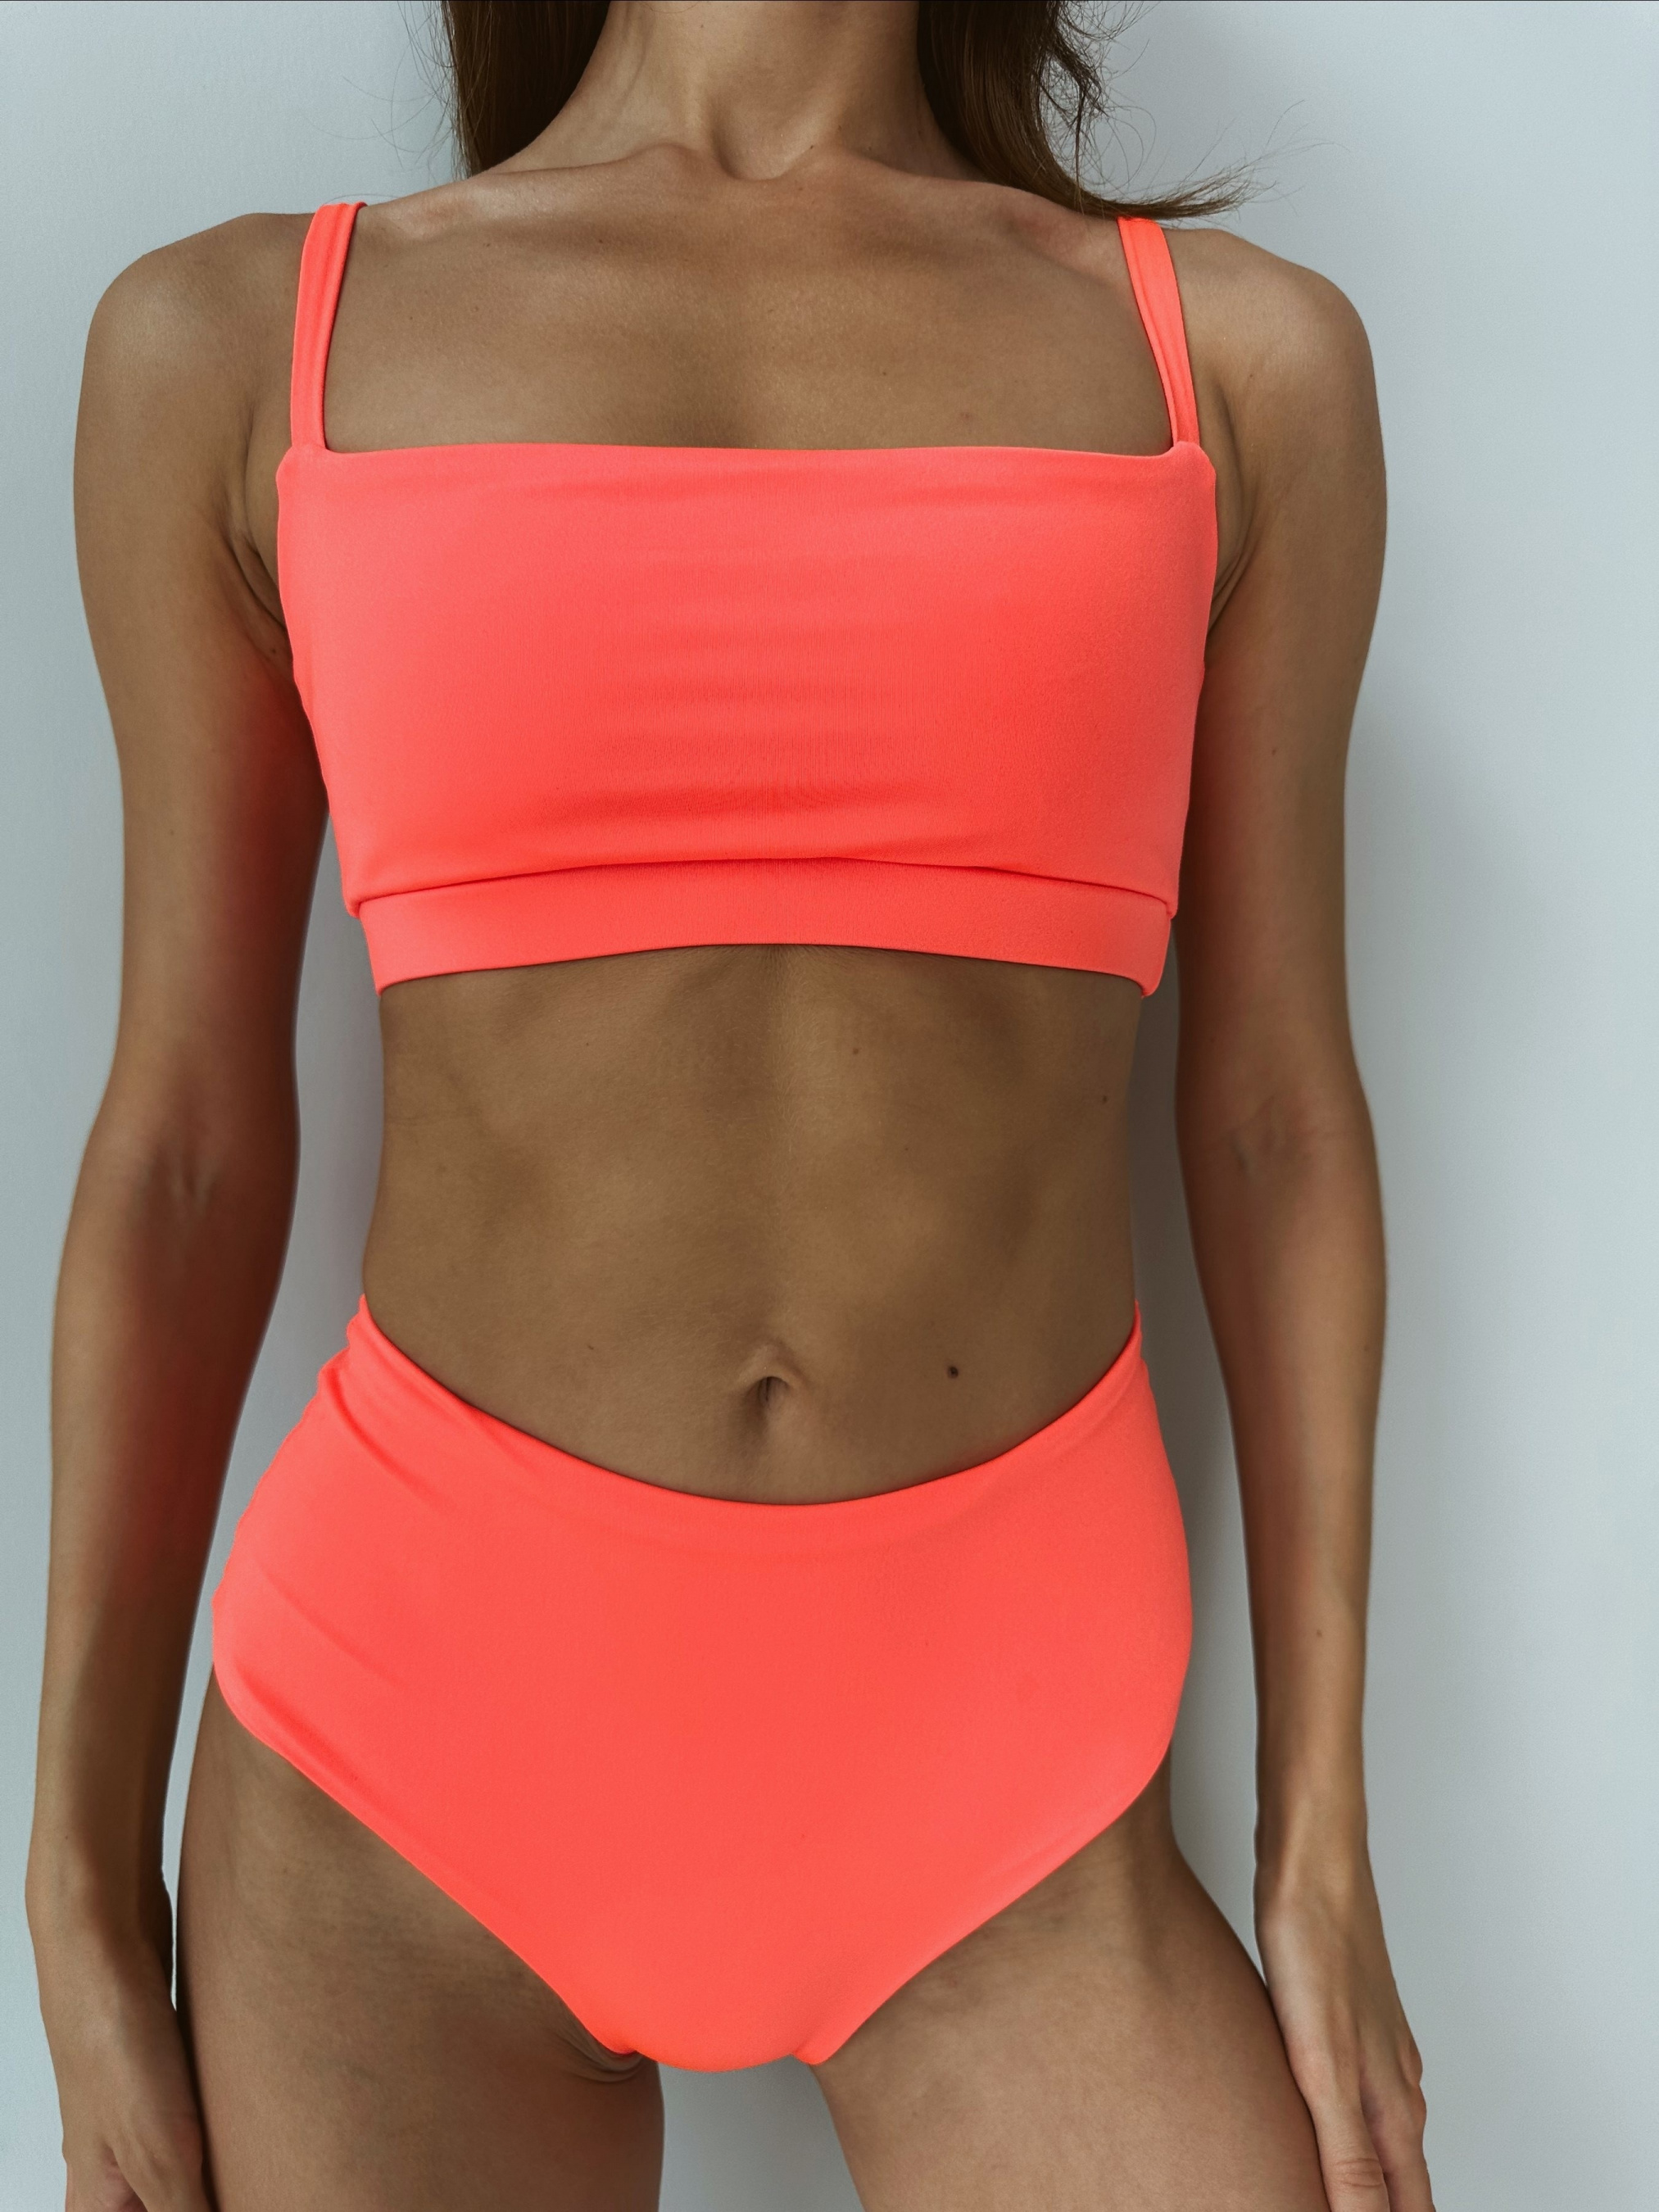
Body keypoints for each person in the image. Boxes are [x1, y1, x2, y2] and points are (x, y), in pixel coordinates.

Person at [26, 2, 1434, 2206]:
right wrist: (78, 1898)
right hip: (404, 1750)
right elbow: (186, 1149)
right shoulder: (237, 346)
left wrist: (1320, 1842)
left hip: (1018, 1762)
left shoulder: (1234, 366)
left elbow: (1272, 1120)